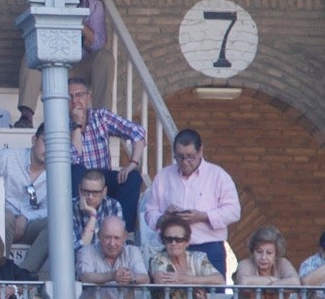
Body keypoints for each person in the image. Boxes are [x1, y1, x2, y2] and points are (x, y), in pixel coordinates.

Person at [16, 0, 109, 127]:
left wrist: (75, 19)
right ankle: (26, 116)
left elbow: (98, 43)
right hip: (50, 63)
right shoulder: (45, 2)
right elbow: (34, 34)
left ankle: (102, 119)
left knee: (106, 58)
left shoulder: (94, 7)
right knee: (31, 54)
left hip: (80, 65)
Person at [143, 128, 241, 277]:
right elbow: (150, 212)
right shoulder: (163, 176)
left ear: (200, 151)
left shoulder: (218, 175)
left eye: (190, 157)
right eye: (180, 157)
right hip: (172, 246)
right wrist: (164, 217)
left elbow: (233, 211)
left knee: (211, 297)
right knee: (171, 296)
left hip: (208, 246)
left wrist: (203, 216)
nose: (185, 162)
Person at [68, 78, 146, 232]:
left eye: (79, 95)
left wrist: (132, 164)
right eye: (70, 97)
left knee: (133, 177)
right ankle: (80, 228)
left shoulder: (100, 116)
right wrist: (77, 125)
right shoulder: (60, 124)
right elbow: (74, 159)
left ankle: (122, 231)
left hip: (102, 178)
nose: (75, 101)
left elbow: (138, 133)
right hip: (79, 181)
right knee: (76, 170)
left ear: (88, 97)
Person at [0, 123, 49, 269]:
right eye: (46, 142)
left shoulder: (57, 172)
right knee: (6, 217)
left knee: (56, 225)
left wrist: (25, 217)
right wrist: (0, 212)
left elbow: (51, 209)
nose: (49, 150)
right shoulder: (6, 157)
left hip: (27, 225)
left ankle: (24, 277)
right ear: (34, 140)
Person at [73, 169, 123, 251]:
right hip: (80, 261)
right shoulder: (70, 208)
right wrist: (93, 216)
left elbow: (116, 245)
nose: (90, 197)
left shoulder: (114, 205)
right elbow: (78, 250)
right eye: (86, 191)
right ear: (79, 189)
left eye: (95, 193)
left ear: (104, 191)